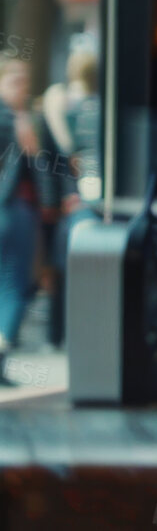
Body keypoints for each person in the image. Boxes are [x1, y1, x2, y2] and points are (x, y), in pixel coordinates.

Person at [40, 48, 102, 349]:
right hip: (93, 200)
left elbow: (61, 155)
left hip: (73, 201)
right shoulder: (101, 108)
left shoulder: (64, 108)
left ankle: (59, 334)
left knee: (66, 267)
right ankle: (80, 331)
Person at [0, 57, 51, 382]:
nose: (23, 87)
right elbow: (31, 168)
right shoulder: (16, 120)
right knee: (14, 285)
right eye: (15, 80)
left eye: (25, 81)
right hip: (14, 209)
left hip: (16, 209)